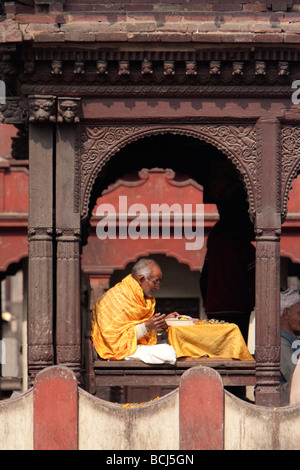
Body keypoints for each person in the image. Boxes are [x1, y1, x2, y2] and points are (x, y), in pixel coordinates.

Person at [91, 258, 178, 364]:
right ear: (141, 279)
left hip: (131, 347)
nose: (158, 287)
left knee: (171, 349)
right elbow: (112, 340)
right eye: (155, 282)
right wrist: (146, 326)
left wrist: (160, 323)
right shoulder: (117, 297)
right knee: (169, 353)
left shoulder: (140, 297)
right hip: (114, 351)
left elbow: (135, 327)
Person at [200, 197, 255, 343]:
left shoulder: (214, 248)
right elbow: (256, 281)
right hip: (238, 307)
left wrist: (208, 303)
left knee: (217, 348)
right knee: (236, 348)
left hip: (214, 307)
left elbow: (203, 279)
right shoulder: (245, 248)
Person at [280, 286, 300, 405]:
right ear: (286, 313)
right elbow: (295, 377)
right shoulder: (280, 341)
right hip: (284, 398)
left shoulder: (293, 340)